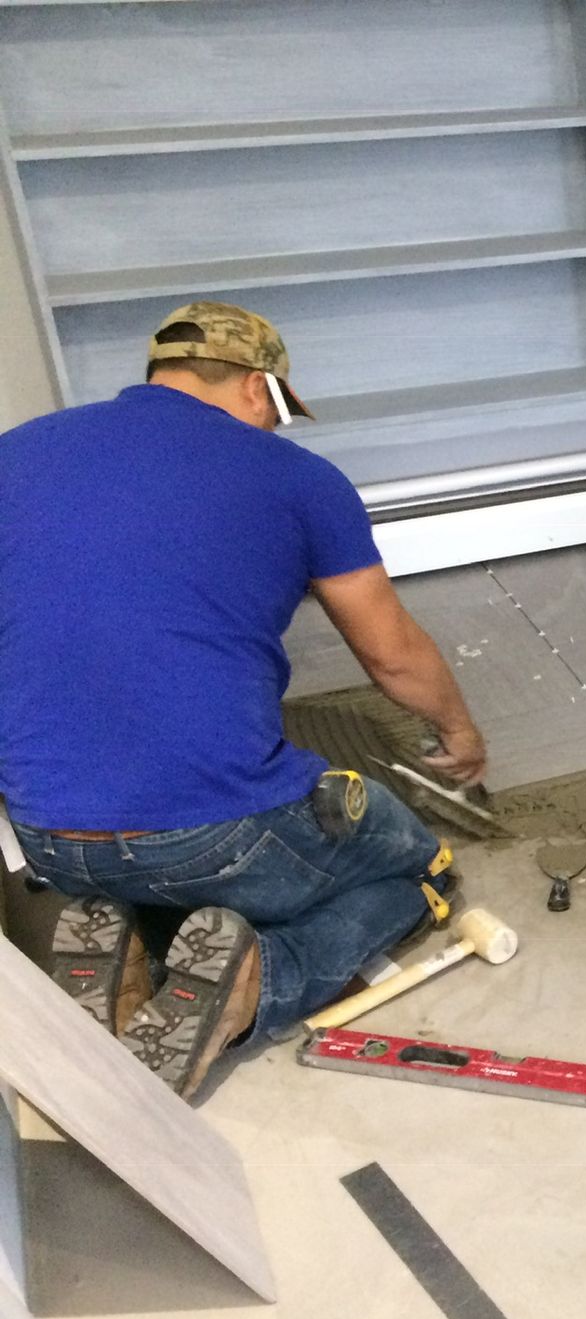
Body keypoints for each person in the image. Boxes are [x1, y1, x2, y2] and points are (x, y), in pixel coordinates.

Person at [0, 301, 488, 1100]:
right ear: (260, 388)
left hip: (50, 836)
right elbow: (391, 656)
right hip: (216, 832)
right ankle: (258, 981)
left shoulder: (13, 456)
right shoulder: (299, 479)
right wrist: (460, 734)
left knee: (154, 865)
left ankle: (128, 945)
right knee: (414, 876)